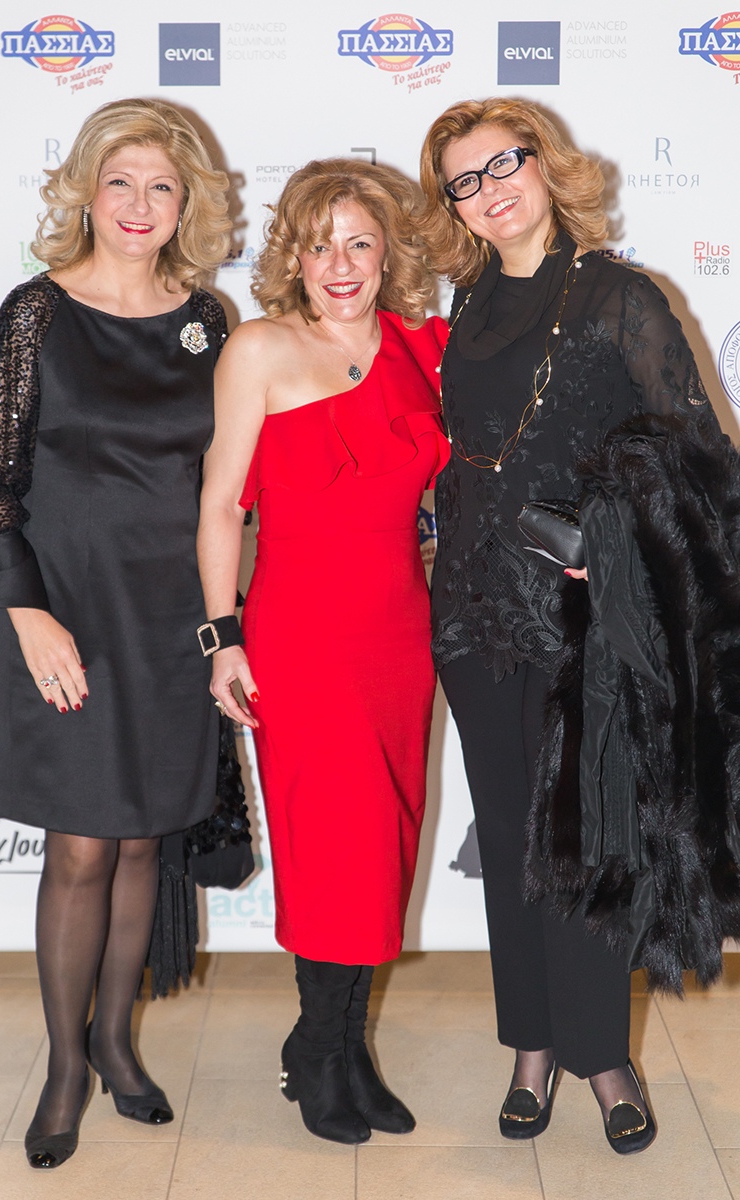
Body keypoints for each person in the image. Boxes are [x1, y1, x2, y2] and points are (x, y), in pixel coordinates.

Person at [419, 97, 717, 1154]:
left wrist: (613, 529)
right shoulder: (463, 302)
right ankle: (530, 1046)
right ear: (452, 205)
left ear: (545, 164)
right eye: (464, 180)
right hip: (470, 610)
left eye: (503, 164)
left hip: (579, 612)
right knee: (506, 836)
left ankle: (600, 1056)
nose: (489, 190)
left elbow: (693, 453)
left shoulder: (617, 296)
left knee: (583, 836)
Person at [0, 98, 231, 1169]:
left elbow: (227, 483)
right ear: (86, 192)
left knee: (145, 839)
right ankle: (66, 1067)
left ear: (186, 203)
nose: (139, 205)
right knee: (80, 846)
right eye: (121, 182)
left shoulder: (208, 321)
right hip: (62, 615)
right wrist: (25, 613)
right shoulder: (37, 313)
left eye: (162, 186)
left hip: (172, 620)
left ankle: (116, 1043)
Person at [197, 158, 449, 1144]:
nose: (339, 264)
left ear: (388, 254)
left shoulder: (421, 346)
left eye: (358, 243)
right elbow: (220, 505)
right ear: (292, 257)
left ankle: (339, 1050)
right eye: (318, 245)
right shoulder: (259, 347)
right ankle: (321, 1051)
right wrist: (222, 637)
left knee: (384, 842)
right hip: (301, 630)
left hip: (400, 632)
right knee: (329, 846)